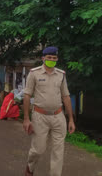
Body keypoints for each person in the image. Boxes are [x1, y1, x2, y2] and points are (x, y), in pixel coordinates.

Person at [23, 46, 75, 176]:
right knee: (38, 150)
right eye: (49, 58)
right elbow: (27, 95)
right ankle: (30, 167)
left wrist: (71, 119)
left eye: (54, 58)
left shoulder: (61, 75)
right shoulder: (34, 73)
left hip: (58, 116)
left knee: (58, 151)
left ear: (57, 59)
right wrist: (26, 118)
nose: (52, 60)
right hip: (40, 116)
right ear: (43, 58)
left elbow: (66, 96)